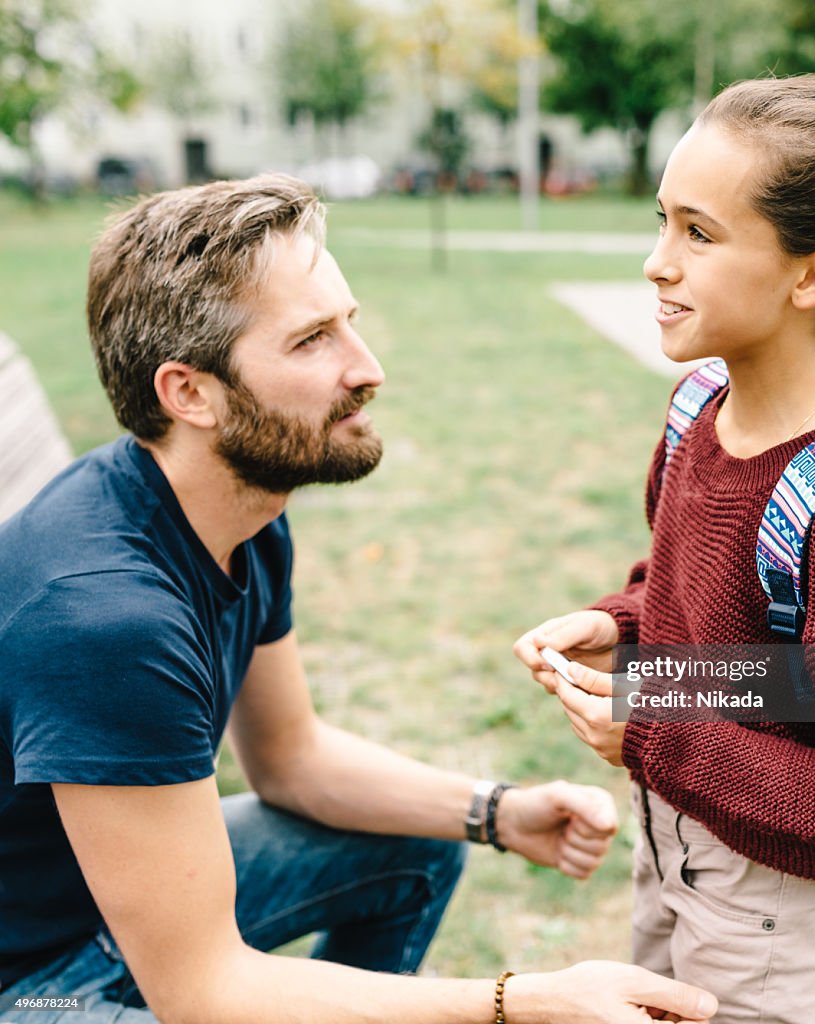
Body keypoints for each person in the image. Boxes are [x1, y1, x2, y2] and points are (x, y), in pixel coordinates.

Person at [0, 175, 719, 1024]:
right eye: (311, 341)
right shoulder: (106, 616)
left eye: (351, 321)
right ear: (188, 392)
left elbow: (290, 759)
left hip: (120, 908)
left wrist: (498, 813)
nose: (367, 369)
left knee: (422, 841)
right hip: (34, 980)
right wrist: (515, 1002)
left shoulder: (241, 507)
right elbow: (201, 989)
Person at [514, 62, 815, 1024]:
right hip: (676, 841)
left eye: (700, 234)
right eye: (662, 220)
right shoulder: (695, 414)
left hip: (782, 922)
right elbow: (747, 657)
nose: (657, 261)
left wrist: (657, 732)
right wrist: (622, 628)